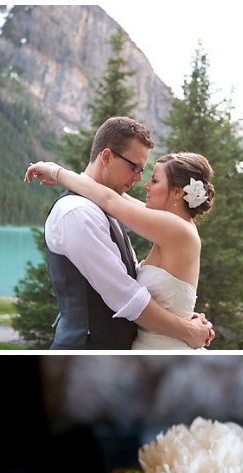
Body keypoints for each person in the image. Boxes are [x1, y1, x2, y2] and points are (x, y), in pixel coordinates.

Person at [26, 117, 214, 350]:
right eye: (135, 167)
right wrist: (185, 326)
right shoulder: (79, 212)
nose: (140, 180)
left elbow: (110, 199)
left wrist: (57, 173)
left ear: (177, 193)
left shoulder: (167, 225)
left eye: (149, 176)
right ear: (106, 157)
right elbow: (126, 296)